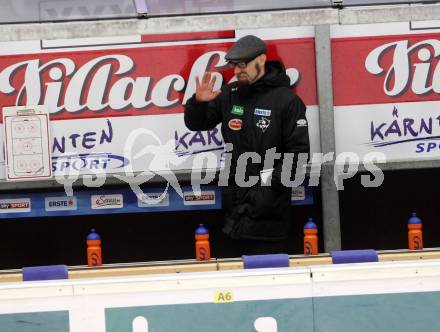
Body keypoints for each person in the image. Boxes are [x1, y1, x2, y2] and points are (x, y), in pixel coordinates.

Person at [184, 35, 310, 256]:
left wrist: (265, 192)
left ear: (261, 59)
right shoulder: (230, 94)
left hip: (268, 219)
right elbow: (197, 123)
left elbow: (298, 158)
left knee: (266, 283)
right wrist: (198, 103)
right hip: (232, 216)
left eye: (242, 64)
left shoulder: (286, 100)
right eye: (234, 65)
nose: (236, 71)